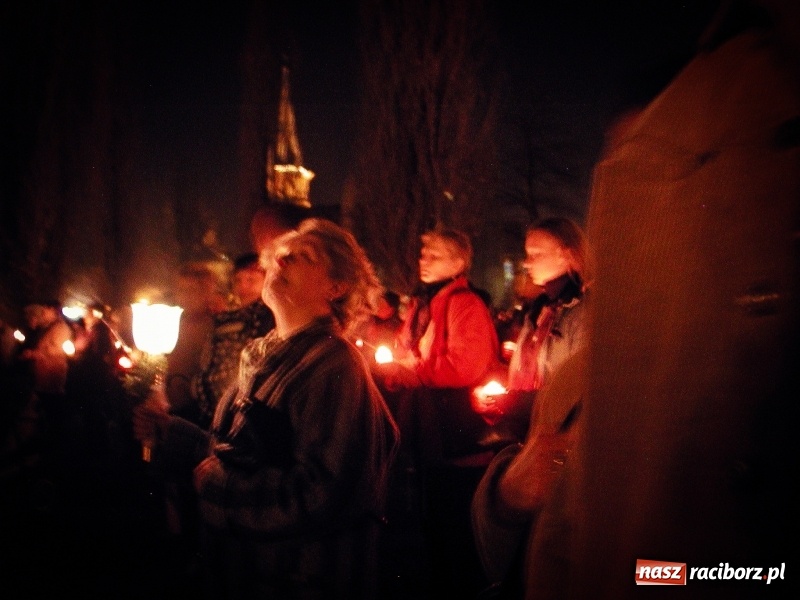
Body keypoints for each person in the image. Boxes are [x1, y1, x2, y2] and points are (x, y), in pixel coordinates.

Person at [523, 3, 800, 599]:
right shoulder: (595, 354)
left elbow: (684, 563)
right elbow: (572, 520)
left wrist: (657, 574)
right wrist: (505, 499)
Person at [133, 218, 399, 599]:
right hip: (248, 573)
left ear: (336, 287)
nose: (282, 261)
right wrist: (172, 432)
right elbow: (238, 452)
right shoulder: (261, 354)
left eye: (304, 257)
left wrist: (220, 489)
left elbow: (325, 492)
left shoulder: (333, 365)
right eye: (281, 255)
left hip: (299, 579)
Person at [373, 227, 499, 599]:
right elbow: (408, 351)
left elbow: (465, 365)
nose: (423, 261)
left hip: (457, 431)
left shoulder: (464, 304)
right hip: (430, 428)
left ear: (459, 262)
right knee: (434, 522)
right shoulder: (424, 303)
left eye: (435, 255)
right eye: (423, 254)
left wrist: (413, 372)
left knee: (456, 521)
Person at [473, 217, 591, 445]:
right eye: (527, 254)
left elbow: (575, 391)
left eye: (536, 255)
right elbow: (526, 375)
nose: (527, 263)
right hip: (527, 433)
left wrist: (513, 401)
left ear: (566, 255)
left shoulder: (582, 313)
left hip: (557, 441)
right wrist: (495, 396)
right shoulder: (538, 311)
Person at [191, 253, 275, 430]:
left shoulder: (269, 319)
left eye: (251, 280)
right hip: (212, 414)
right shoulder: (224, 319)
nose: (243, 287)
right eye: (238, 280)